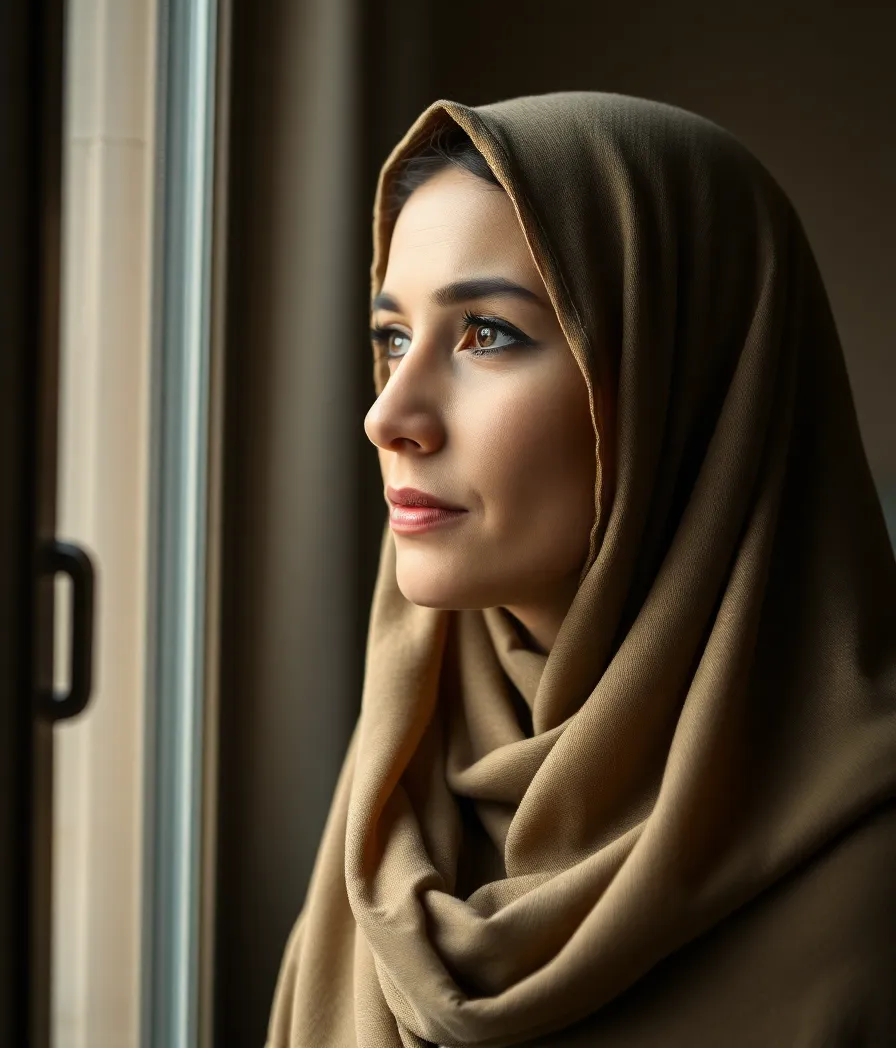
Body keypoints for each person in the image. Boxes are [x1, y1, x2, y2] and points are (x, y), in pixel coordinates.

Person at [266, 92, 896, 1047]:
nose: (387, 416)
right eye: (391, 338)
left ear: (684, 385)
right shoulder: (405, 775)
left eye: (485, 332)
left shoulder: (867, 877)